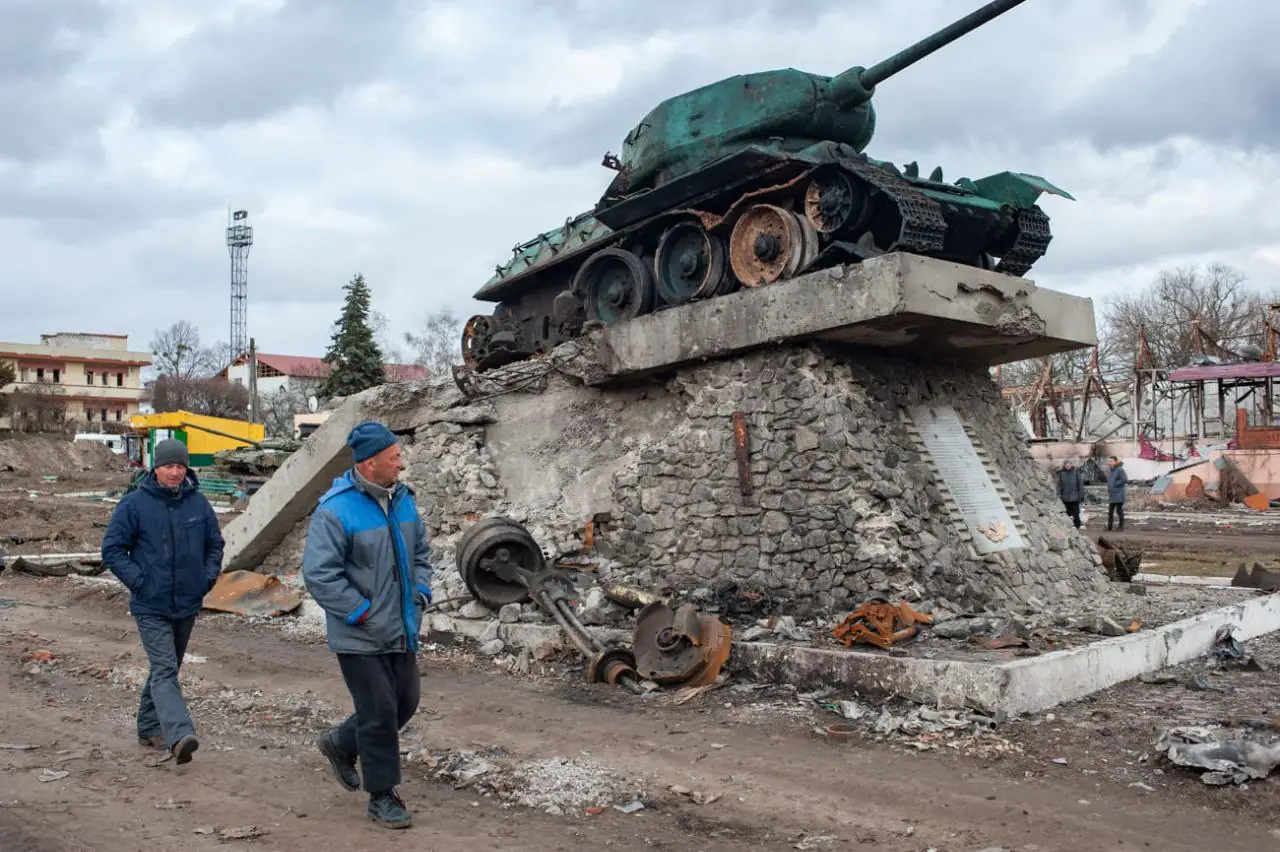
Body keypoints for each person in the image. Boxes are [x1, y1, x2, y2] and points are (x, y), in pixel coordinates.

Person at [302, 421, 435, 830]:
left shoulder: (403, 501)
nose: (402, 463)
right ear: (370, 463)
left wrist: (420, 595)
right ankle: (383, 795)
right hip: (358, 632)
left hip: (401, 626)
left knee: (405, 702)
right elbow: (319, 575)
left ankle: (340, 744)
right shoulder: (335, 510)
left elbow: (421, 556)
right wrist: (361, 611)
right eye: (394, 457)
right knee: (378, 709)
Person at [101, 438, 224, 765]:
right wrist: (139, 581)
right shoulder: (134, 505)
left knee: (165, 668)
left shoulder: (198, 504)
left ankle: (148, 727)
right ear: (155, 468)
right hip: (150, 604)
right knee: (166, 667)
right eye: (168, 466)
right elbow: (112, 550)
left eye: (180, 466)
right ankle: (179, 734)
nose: (174, 472)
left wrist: (206, 579)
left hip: (187, 602)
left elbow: (215, 545)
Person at [1056, 459, 1084, 529]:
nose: (1068, 465)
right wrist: (1059, 494)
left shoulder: (1076, 472)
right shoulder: (1061, 473)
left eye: (1069, 464)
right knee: (1066, 513)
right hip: (1065, 497)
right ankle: (1068, 527)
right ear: (1064, 465)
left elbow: (1080, 484)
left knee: (1076, 513)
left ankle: (1077, 525)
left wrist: (1081, 495)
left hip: (1074, 496)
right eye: (1066, 464)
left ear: (1071, 465)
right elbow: (1059, 485)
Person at [1106, 456, 1128, 531]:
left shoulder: (1120, 469)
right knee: (1110, 511)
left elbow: (1124, 479)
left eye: (1111, 461)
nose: (1110, 463)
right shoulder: (1110, 470)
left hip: (1119, 494)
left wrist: (1116, 484)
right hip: (1112, 494)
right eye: (1109, 461)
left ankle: (1121, 527)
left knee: (1119, 510)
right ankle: (1109, 527)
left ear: (1115, 462)